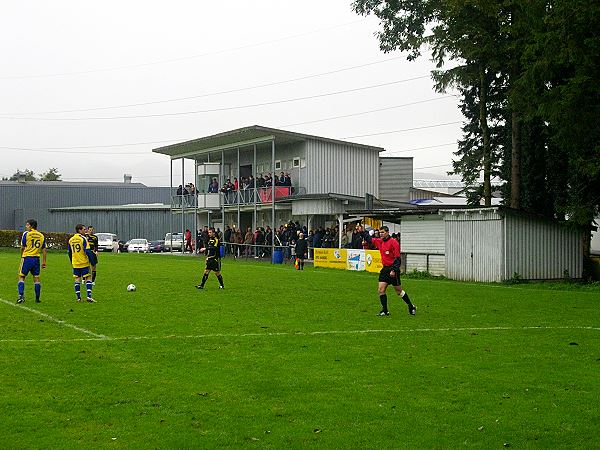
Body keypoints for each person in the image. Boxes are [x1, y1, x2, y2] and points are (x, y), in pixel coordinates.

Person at [367, 226, 415, 316]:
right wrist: (362, 232)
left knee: (398, 291)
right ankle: (385, 310)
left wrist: (393, 270)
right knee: (381, 290)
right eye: (380, 232)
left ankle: (411, 305)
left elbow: (397, 258)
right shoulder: (380, 241)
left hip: (393, 269)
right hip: (385, 269)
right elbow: (369, 239)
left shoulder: (394, 242)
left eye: (383, 232)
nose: (381, 234)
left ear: (387, 232)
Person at [17, 219, 47, 304]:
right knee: (36, 279)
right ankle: (37, 299)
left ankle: (21, 297)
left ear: (31, 226)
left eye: (27, 225)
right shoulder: (41, 235)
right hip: (36, 259)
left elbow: (22, 247)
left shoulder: (26, 234)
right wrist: (44, 261)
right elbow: (44, 250)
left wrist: (22, 256)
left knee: (21, 277)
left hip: (27, 258)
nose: (26, 227)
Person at [68, 223, 96, 303]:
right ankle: (89, 296)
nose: (85, 231)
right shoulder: (83, 238)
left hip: (75, 263)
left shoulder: (71, 239)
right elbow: (87, 251)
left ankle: (78, 298)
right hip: (84, 262)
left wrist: (72, 261)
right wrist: (92, 261)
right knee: (88, 278)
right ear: (79, 230)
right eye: (84, 229)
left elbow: (69, 252)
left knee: (77, 279)